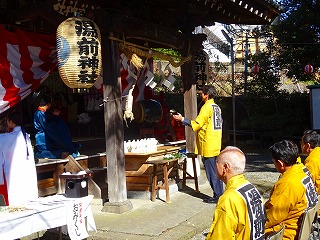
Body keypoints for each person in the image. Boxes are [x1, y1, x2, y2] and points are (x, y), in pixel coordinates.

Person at [172, 85, 223, 203]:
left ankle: (217, 196)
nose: (201, 95)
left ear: (206, 94)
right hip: (216, 142)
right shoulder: (217, 107)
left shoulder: (206, 107)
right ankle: (220, 193)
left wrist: (182, 119)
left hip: (208, 143)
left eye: (202, 93)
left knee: (211, 172)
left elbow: (197, 124)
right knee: (217, 170)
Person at [206, 146, 266, 240]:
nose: (214, 165)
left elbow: (220, 237)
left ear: (225, 167)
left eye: (216, 162)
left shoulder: (229, 199)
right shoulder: (251, 188)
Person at [265, 140, 318, 239]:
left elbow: (272, 217)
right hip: (301, 227)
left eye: (273, 162)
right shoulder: (302, 170)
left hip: (287, 232)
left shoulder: (288, 183)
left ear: (280, 163)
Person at [0, 111, 38, 205]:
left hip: (13, 174)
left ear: (11, 122)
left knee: (15, 198)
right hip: (25, 173)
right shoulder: (25, 136)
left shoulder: (5, 138)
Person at [34, 94, 80, 159]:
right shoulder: (40, 114)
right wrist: (56, 117)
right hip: (43, 138)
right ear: (48, 104)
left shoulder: (40, 113)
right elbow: (48, 127)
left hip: (44, 137)